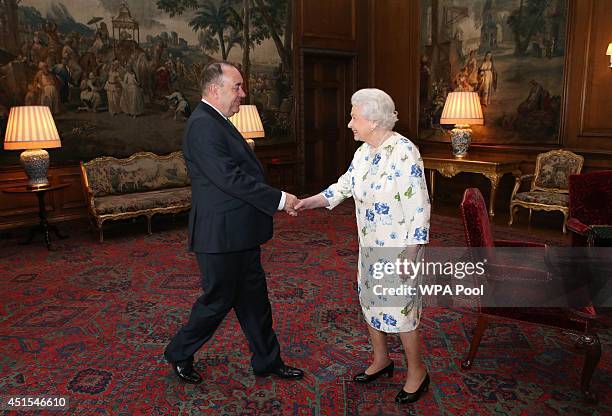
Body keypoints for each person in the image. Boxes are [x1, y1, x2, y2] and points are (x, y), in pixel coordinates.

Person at [164, 61, 304, 384]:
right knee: (217, 302)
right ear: (215, 90)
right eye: (237, 87)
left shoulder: (218, 120)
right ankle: (179, 352)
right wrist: (280, 199)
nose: (243, 93)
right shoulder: (202, 125)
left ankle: (267, 360)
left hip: (240, 233)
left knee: (255, 300)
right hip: (219, 237)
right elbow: (231, 179)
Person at [296, 88, 431, 404]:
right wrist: (306, 203)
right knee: (370, 301)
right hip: (370, 245)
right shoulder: (363, 153)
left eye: (354, 117)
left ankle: (417, 371)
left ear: (372, 119)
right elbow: (341, 188)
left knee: (402, 310)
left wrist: (412, 252)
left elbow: (420, 206)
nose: (349, 124)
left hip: (400, 248)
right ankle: (382, 359)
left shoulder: (403, 152)